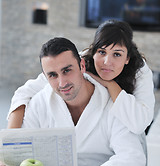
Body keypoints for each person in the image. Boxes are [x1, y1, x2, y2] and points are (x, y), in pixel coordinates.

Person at [3, 37, 146, 166]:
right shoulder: (40, 103)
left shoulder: (113, 104)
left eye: (67, 70)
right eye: (53, 75)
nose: (62, 83)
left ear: (82, 66)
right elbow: (20, 153)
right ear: (45, 77)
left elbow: (132, 157)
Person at [7, 20, 155, 136]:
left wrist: (110, 85)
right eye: (102, 52)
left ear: (127, 57)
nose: (106, 62)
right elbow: (25, 92)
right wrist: (10, 141)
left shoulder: (140, 72)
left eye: (117, 54)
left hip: (126, 139)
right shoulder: (80, 61)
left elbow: (139, 123)